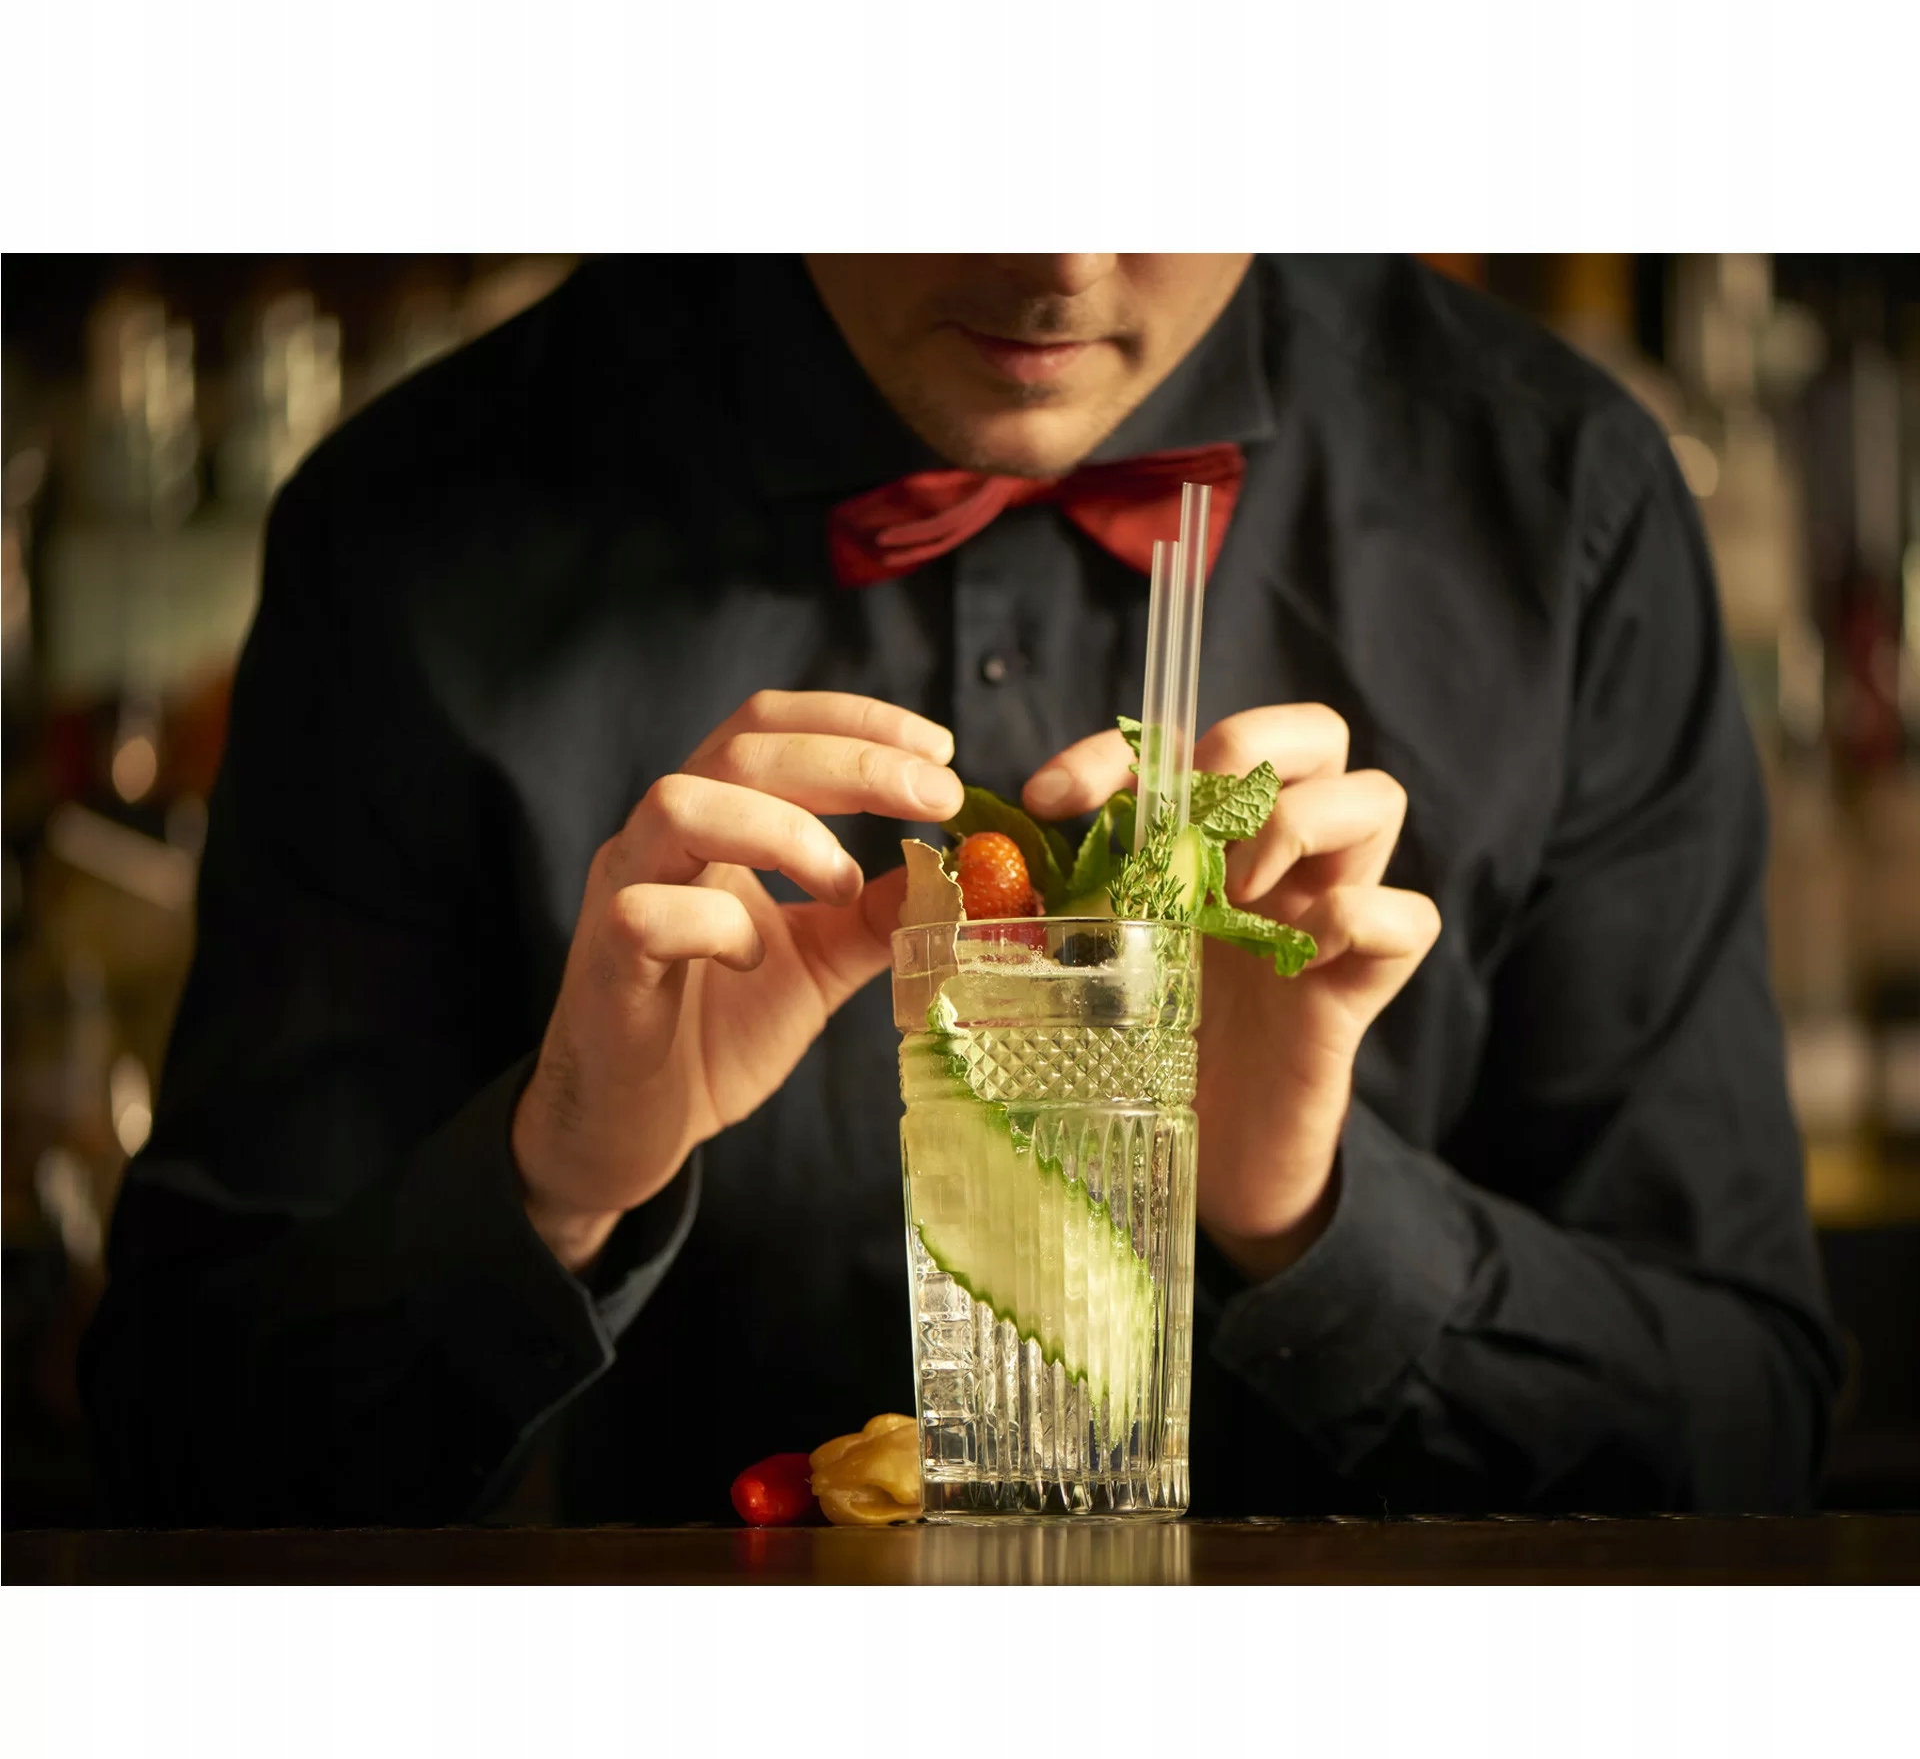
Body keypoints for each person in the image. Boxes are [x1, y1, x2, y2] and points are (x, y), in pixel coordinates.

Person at [81, 255, 1841, 1526]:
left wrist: (1307, 1214)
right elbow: (170, 1463)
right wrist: (551, 1182)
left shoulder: (1565, 501)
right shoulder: (409, 526)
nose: (1061, 259)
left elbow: (1753, 1441)